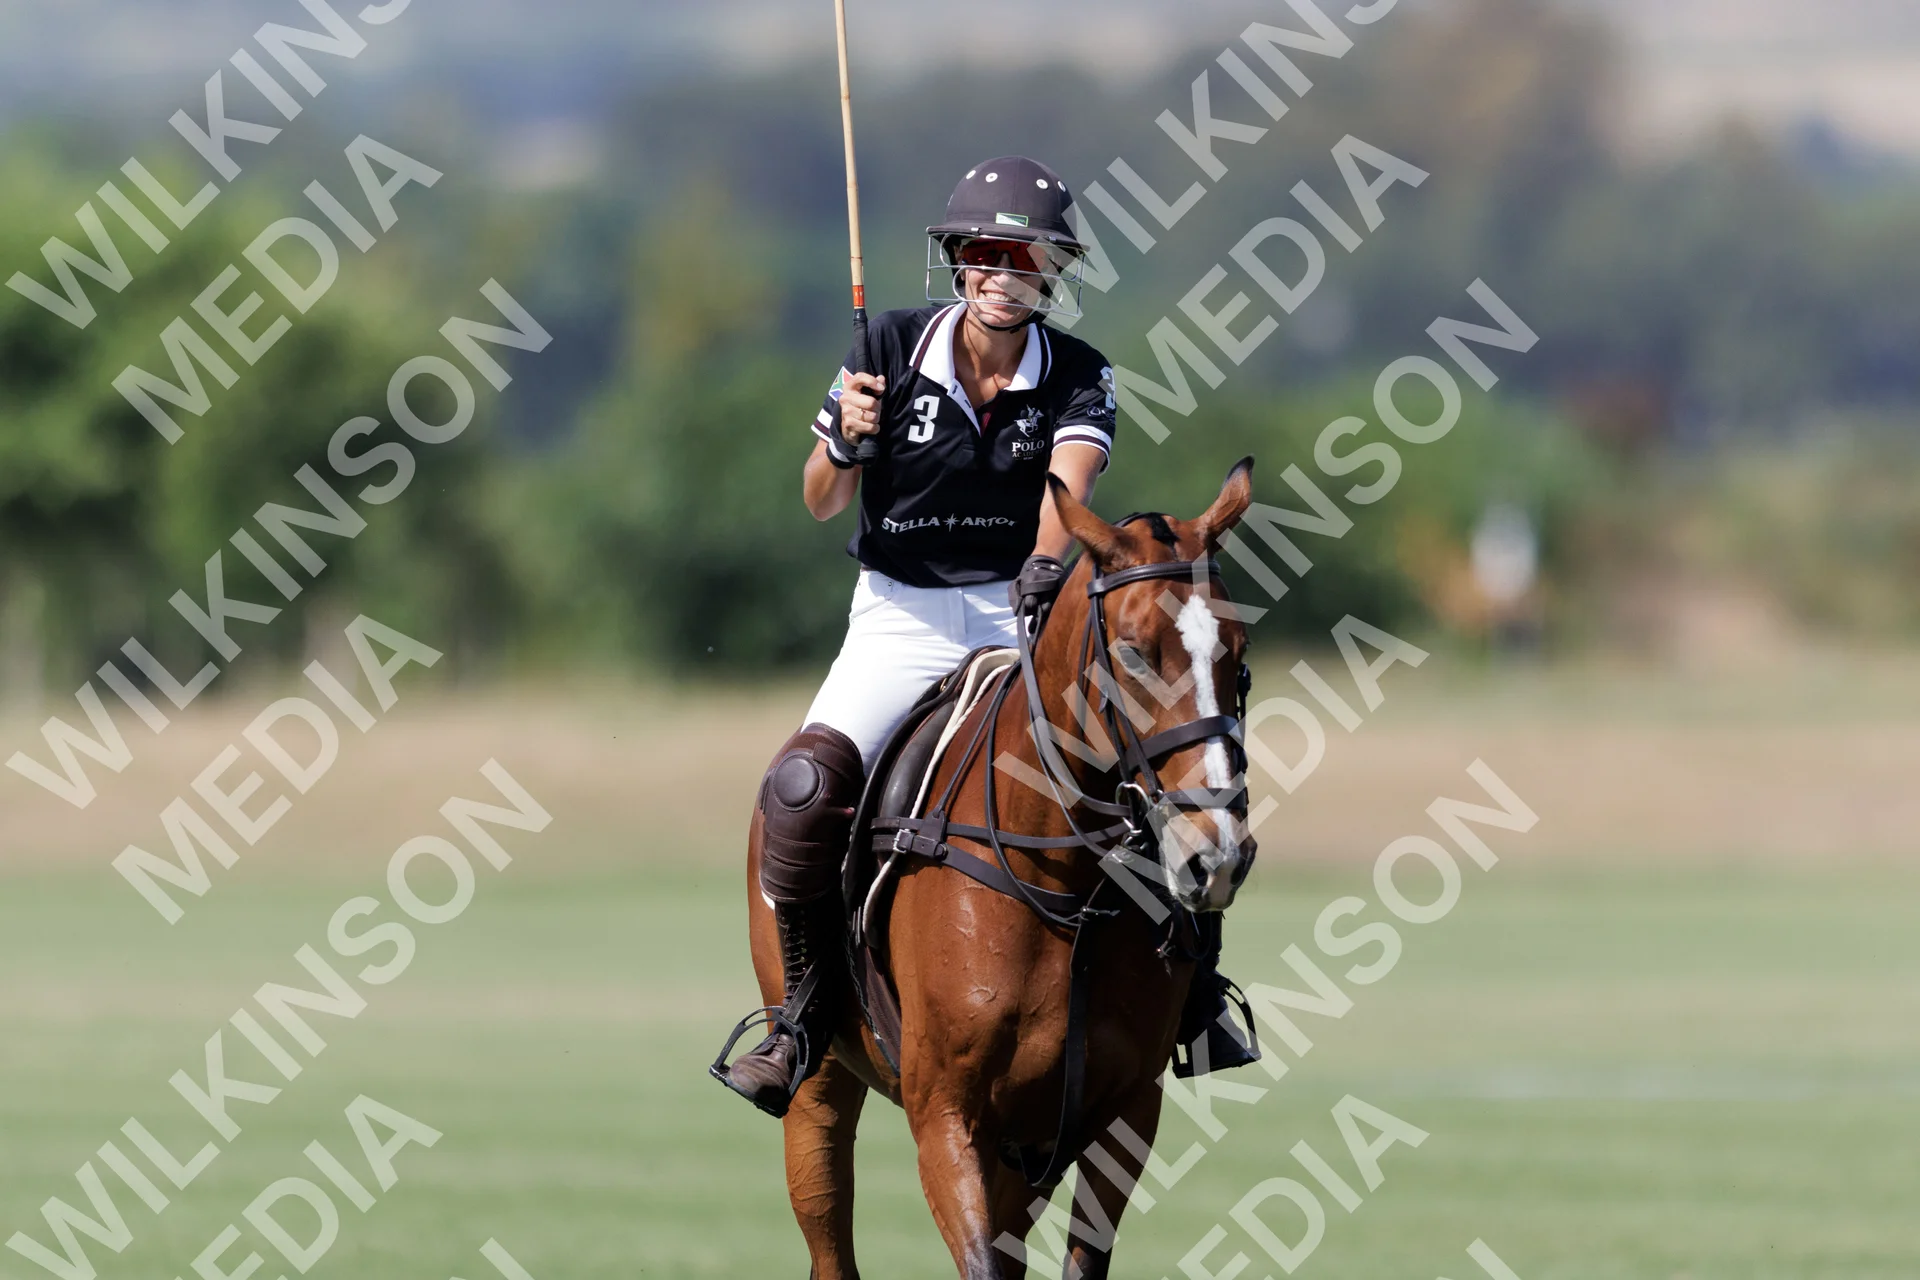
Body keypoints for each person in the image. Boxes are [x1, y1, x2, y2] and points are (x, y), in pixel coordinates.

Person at [720, 156, 1256, 1116]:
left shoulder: (1080, 373)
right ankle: (799, 1014)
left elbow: (1067, 490)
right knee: (800, 791)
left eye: (1025, 257)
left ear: (1052, 271)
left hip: (1022, 610)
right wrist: (844, 438)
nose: (1003, 273)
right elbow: (819, 499)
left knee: (1149, 770)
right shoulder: (886, 345)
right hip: (898, 615)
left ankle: (1195, 997)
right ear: (959, 261)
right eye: (986, 253)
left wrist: (1044, 579)